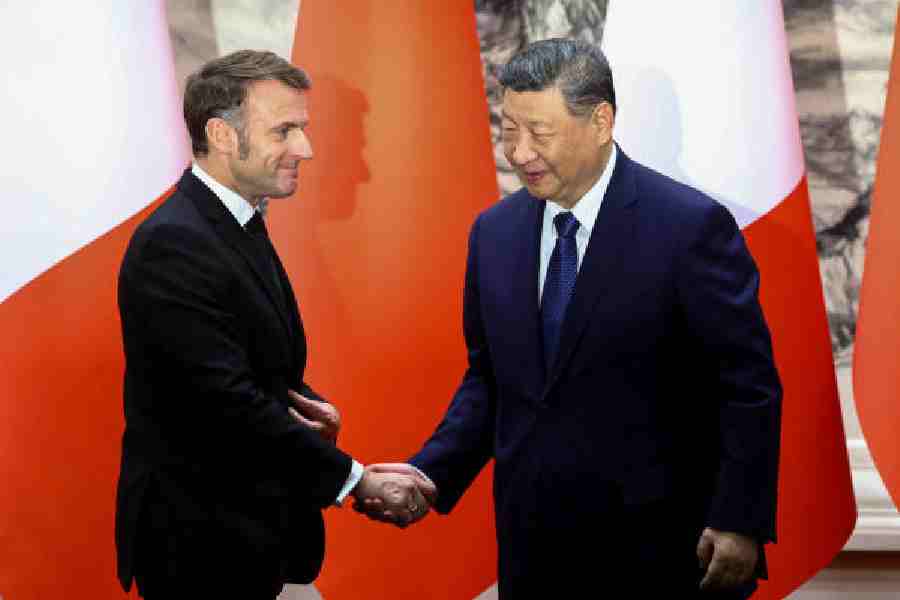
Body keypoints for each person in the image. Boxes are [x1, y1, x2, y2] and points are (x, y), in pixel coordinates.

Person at [360, 39, 782, 598]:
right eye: (509, 129)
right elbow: (491, 380)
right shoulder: (494, 234)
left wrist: (740, 519)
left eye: (540, 131)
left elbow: (746, 387)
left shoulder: (688, 227)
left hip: (660, 551)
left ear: (601, 121)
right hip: (534, 551)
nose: (520, 151)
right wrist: (429, 472)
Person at [115, 50, 434, 599]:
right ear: (221, 133)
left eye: (301, 129)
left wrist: (311, 412)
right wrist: (353, 478)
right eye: (284, 130)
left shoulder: (235, 222)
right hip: (199, 549)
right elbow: (225, 402)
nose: (304, 149)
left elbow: (258, 370)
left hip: (247, 535)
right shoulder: (174, 244)